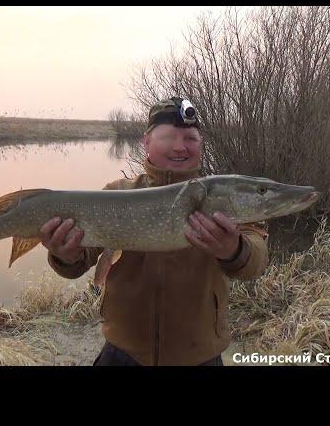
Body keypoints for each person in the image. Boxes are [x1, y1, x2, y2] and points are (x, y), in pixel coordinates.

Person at [40, 97, 269, 366]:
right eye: (169, 137)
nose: (180, 147)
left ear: (202, 144)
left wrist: (234, 250)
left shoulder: (223, 197)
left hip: (200, 356)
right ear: (146, 142)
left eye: (191, 138)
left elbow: (257, 260)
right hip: (124, 352)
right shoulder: (118, 193)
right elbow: (80, 261)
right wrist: (65, 256)